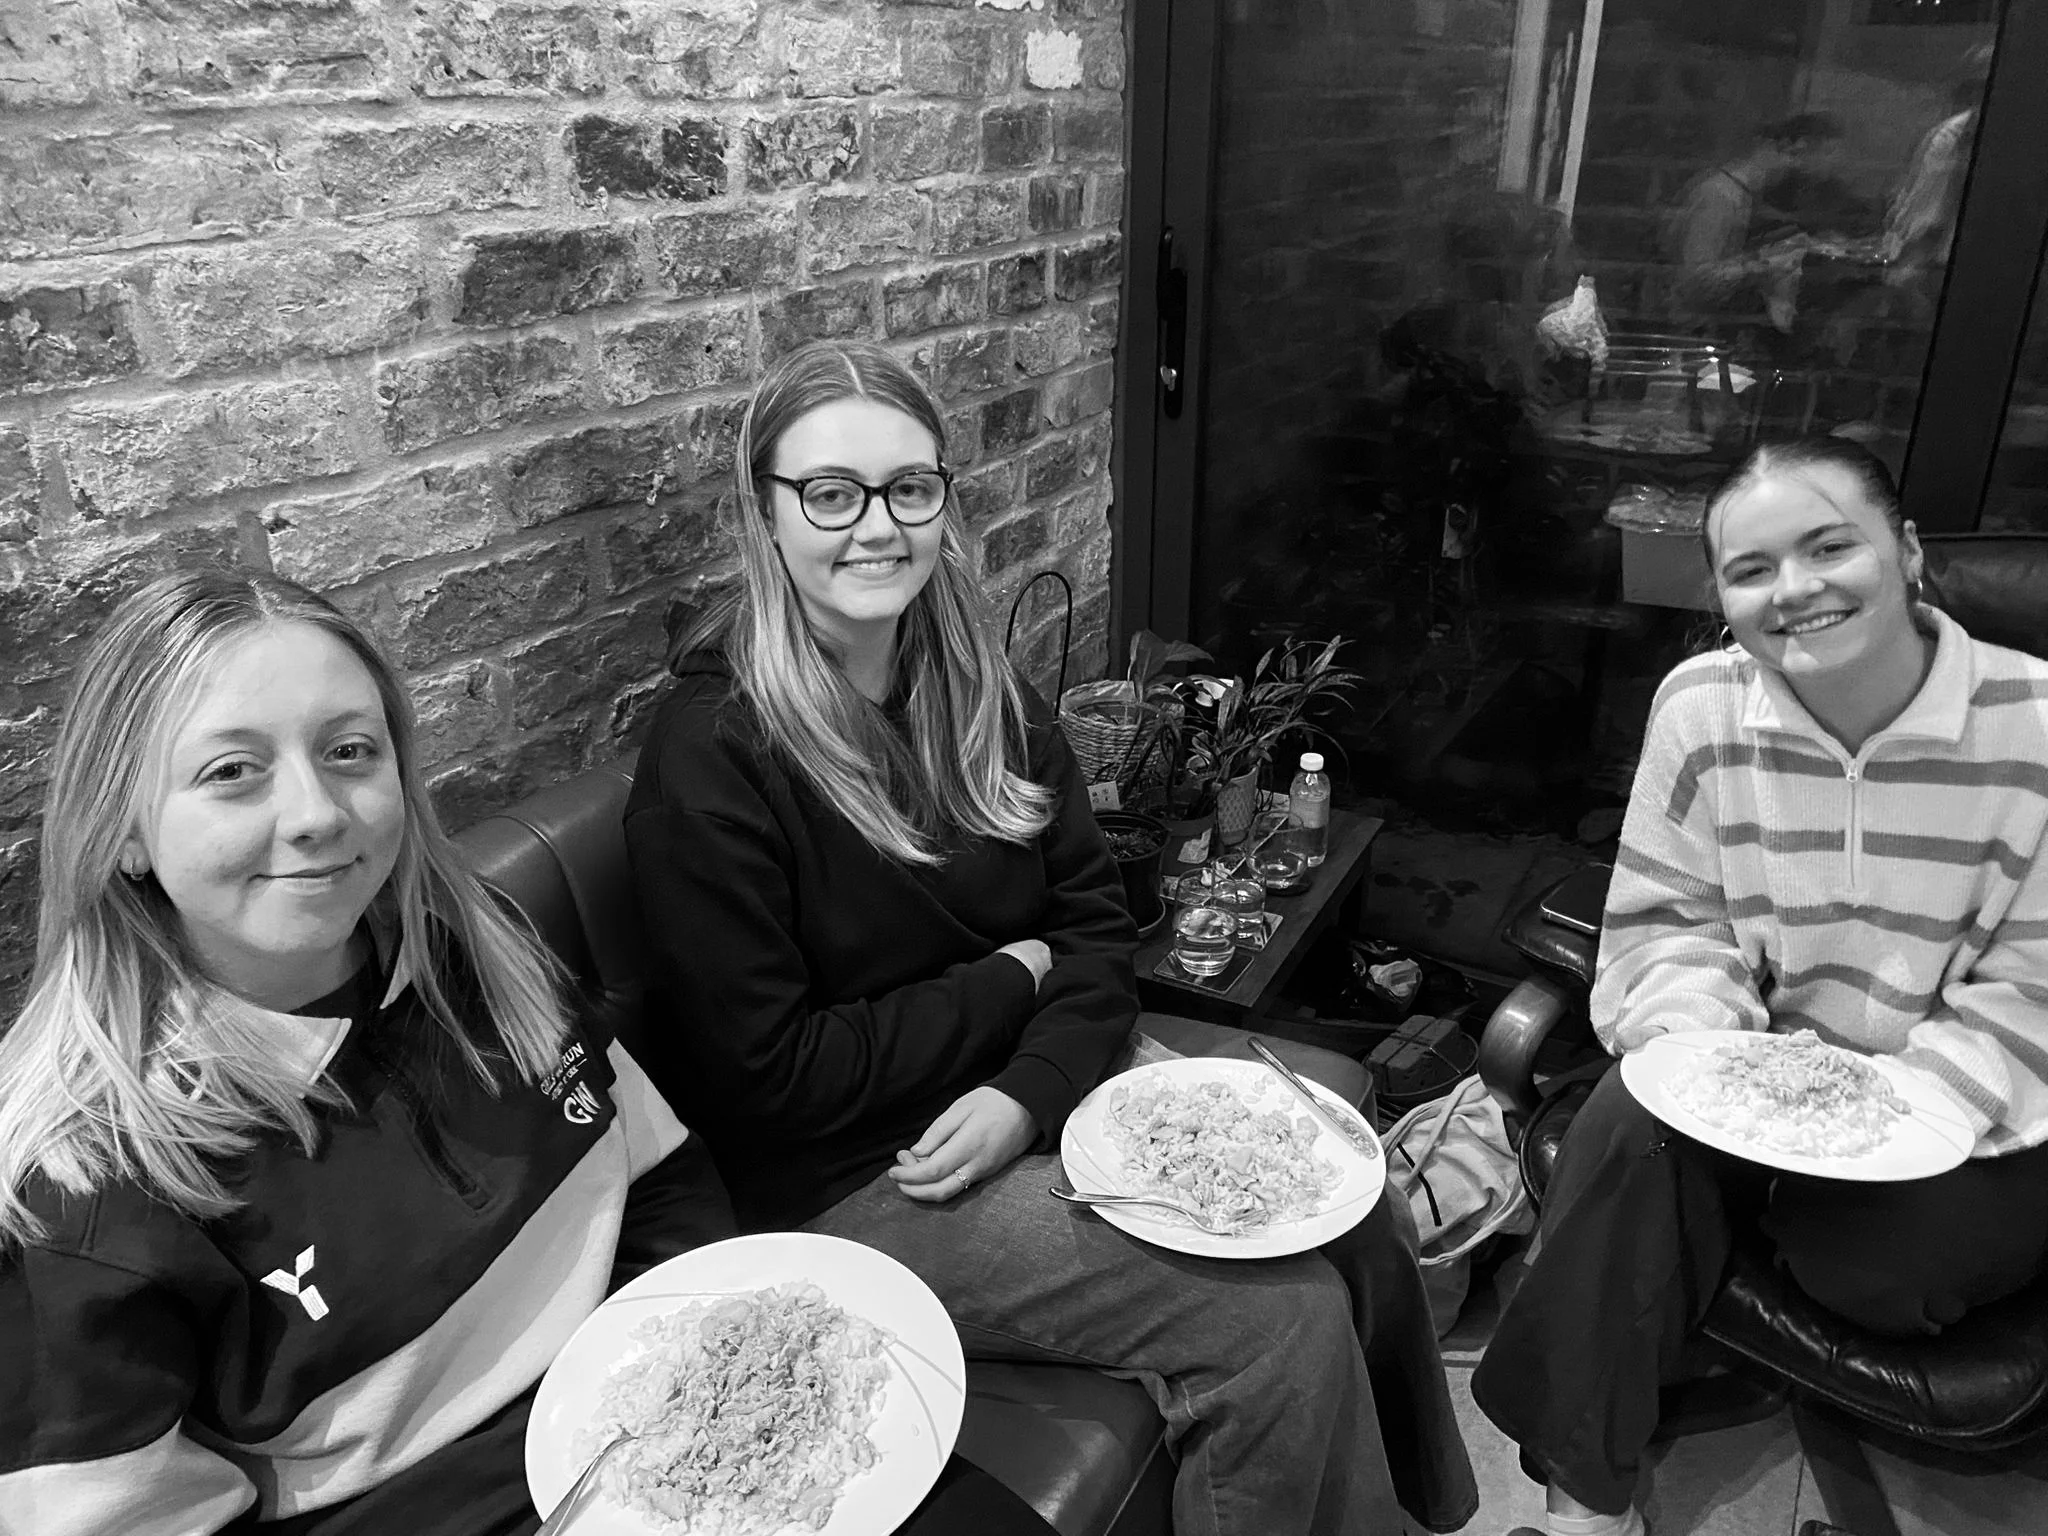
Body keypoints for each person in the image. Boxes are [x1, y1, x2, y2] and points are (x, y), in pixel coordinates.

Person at [623, 339, 1478, 1536]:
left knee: (1349, 1196)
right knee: (1270, 1323)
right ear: (764, 515)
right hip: (853, 1171)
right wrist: (1002, 983)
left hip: (1020, 1088)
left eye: (908, 489)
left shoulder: (977, 686)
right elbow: (771, 1078)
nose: (876, 527)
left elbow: (1092, 931)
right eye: (829, 493)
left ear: (941, 503)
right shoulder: (713, 751)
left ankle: (1416, 1517)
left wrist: (1030, 1085)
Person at [0, 570, 1053, 1536]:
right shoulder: (82, 1196)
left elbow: (656, 1170)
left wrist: (706, 1390)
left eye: (350, 751)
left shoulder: (485, 957)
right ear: (125, 831)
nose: (315, 814)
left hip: (695, 1448)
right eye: (232, 773)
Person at [1471, 437, 2048, 1536]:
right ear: (1720, 596)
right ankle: (1579, 1496)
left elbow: (2033, 990)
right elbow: (1664, 923)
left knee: (1870, 1273)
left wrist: (1880, 1113)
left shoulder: (2034, 728)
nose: (1793, 591)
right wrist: (1721, 1062)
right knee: (1629, 1124)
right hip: (1764, 1068)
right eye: (1749, 569)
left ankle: (1684, 1254)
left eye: (1830, 547)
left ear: (1907, 551)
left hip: (1961, 1094)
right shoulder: (1700, 706)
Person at [1662, 112, 1841, 335]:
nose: (1796, 167)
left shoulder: (1741, 196)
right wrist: (1765, 265)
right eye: (1795, 155)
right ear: (1779, 148)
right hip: (1688, 331)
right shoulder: (1719, 196)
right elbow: (1696, 282)